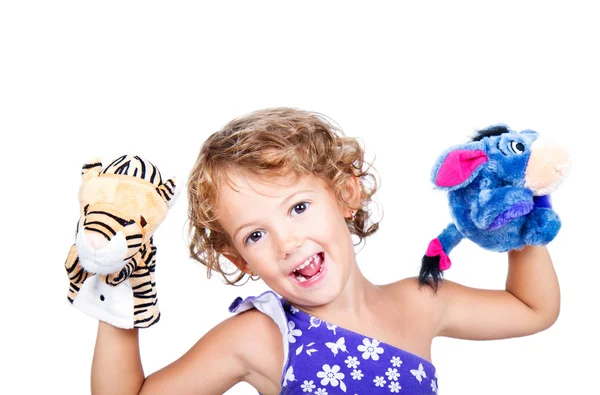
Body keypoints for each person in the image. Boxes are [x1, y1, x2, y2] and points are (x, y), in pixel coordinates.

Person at [90, 108, 560, 394]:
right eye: (255, 235)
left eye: (298, 207)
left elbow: (532, 309)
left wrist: (519, 223)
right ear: (238, 260)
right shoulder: (258, 337)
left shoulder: (420, 302)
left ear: (346, 194)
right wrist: (117, 286)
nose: (286, 242)